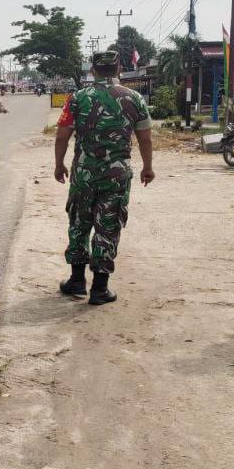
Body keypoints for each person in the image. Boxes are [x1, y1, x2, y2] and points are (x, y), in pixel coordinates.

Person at [54, 51, 154, 304]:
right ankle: (100, 288)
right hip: (116, 176)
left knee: (79, 223)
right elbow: (145, 138)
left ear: (93, 70)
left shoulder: (77, 98)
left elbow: (62, 135)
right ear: (119, 68)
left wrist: (59, 164)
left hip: (84, 174)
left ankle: (77, 281)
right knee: (107, 226)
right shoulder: (134, 98)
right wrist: (148, 167)